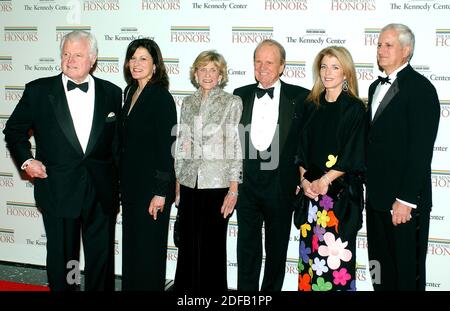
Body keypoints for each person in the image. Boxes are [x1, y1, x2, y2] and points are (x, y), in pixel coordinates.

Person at [3, 31, 121, 291]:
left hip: (101, 190)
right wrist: (26, 161)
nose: (70, 60)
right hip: (58, 187)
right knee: (65, 258)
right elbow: (13, 130)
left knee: (101, 257)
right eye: (66, 54)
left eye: (77, 55)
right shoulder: (38, 90)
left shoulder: (112, 93)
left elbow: (117, 146)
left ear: (92, 59)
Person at [366, 23, 440, 291]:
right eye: (379, 45)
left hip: (405, 204)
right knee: (380, 272)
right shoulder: (375, 87)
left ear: (406, 50)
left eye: (388, 45)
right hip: (376, 199)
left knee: (407, 277)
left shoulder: (421, 89)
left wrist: (406, 200)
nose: (381, 50)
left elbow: (421, 150)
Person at [233, 39, 309, 291]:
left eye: (269, 62)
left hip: (281, 186)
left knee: (277, 251)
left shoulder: (300, 97)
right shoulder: (239, 95)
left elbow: (306, 143)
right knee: (246, 249)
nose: (263, 67)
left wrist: (302, 177)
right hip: (247, 185)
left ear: (282, 66)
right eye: (258, 61)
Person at [295, 46, 366, 291]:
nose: (328, 72)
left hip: (339, 200)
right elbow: (300, 151)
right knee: (310, 263)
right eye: (324, 66)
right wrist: (305, 182)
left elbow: (354, 153)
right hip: (311, 198)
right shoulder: (310, 106)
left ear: (346, 73)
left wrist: (325, 180)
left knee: (335, 265)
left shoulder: (354, 108)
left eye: (335, 67)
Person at [173, 50, 243, 292]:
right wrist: (178, 184)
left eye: (213, 70)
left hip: (218, 184)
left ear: (221, 74)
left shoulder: (231, 102)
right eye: (203, 69)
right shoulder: (188, 102)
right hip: (190, 182)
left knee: (213, 247)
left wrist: (234, 189)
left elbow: (235, 145)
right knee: (189, 246)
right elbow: (182, 143)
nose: (207, 74)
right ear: (195, 73)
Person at [119, 38, 177, 291]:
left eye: (143, 58)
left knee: (149, 252)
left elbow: (167, 149)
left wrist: (161, 192)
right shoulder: (130, 92)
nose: (136, 63)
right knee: (132, 249)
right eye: (133, 58)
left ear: (155, 65)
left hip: (152, 189)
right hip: (131, 187)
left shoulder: (161, 98)